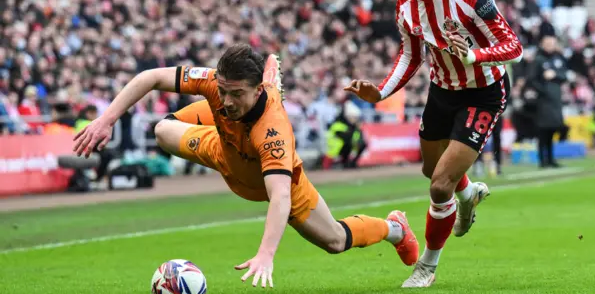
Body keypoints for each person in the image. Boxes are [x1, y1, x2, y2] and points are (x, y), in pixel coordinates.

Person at [73, 43, 419, 288]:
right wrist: (107, 120)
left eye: (236, 93)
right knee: (162, 130)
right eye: (222, 90)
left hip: (276, 180)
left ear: (255, 90)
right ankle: (255, 98)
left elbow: (280, 197)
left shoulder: (274, 130)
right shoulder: (217, 83)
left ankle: (394, 229)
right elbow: (150, 77)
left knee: (335, 241)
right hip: (224, 151)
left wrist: (265, 254)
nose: (226, 100)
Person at [344, 0, 522, 287]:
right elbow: (411, 55)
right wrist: (380, 91)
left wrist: (474, 55)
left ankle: (427, 264)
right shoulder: (405, 1)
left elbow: (513, 46)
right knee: (431, 170)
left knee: (441, 186)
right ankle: (468, 194)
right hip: (442, 90)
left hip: (483, 92)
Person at [526, 35, 567, 168]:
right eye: (548, 43)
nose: (550, 46)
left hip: (555, 100)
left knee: (552, 130)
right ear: (542, 44)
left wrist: (554, 75)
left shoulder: (558, 59)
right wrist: (543, 90)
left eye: (552, 43)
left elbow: (564, 75)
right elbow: (531, 79)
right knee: (543, 131)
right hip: (543, 101)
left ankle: (550, 158)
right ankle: (542, 160)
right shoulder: (538, 60)